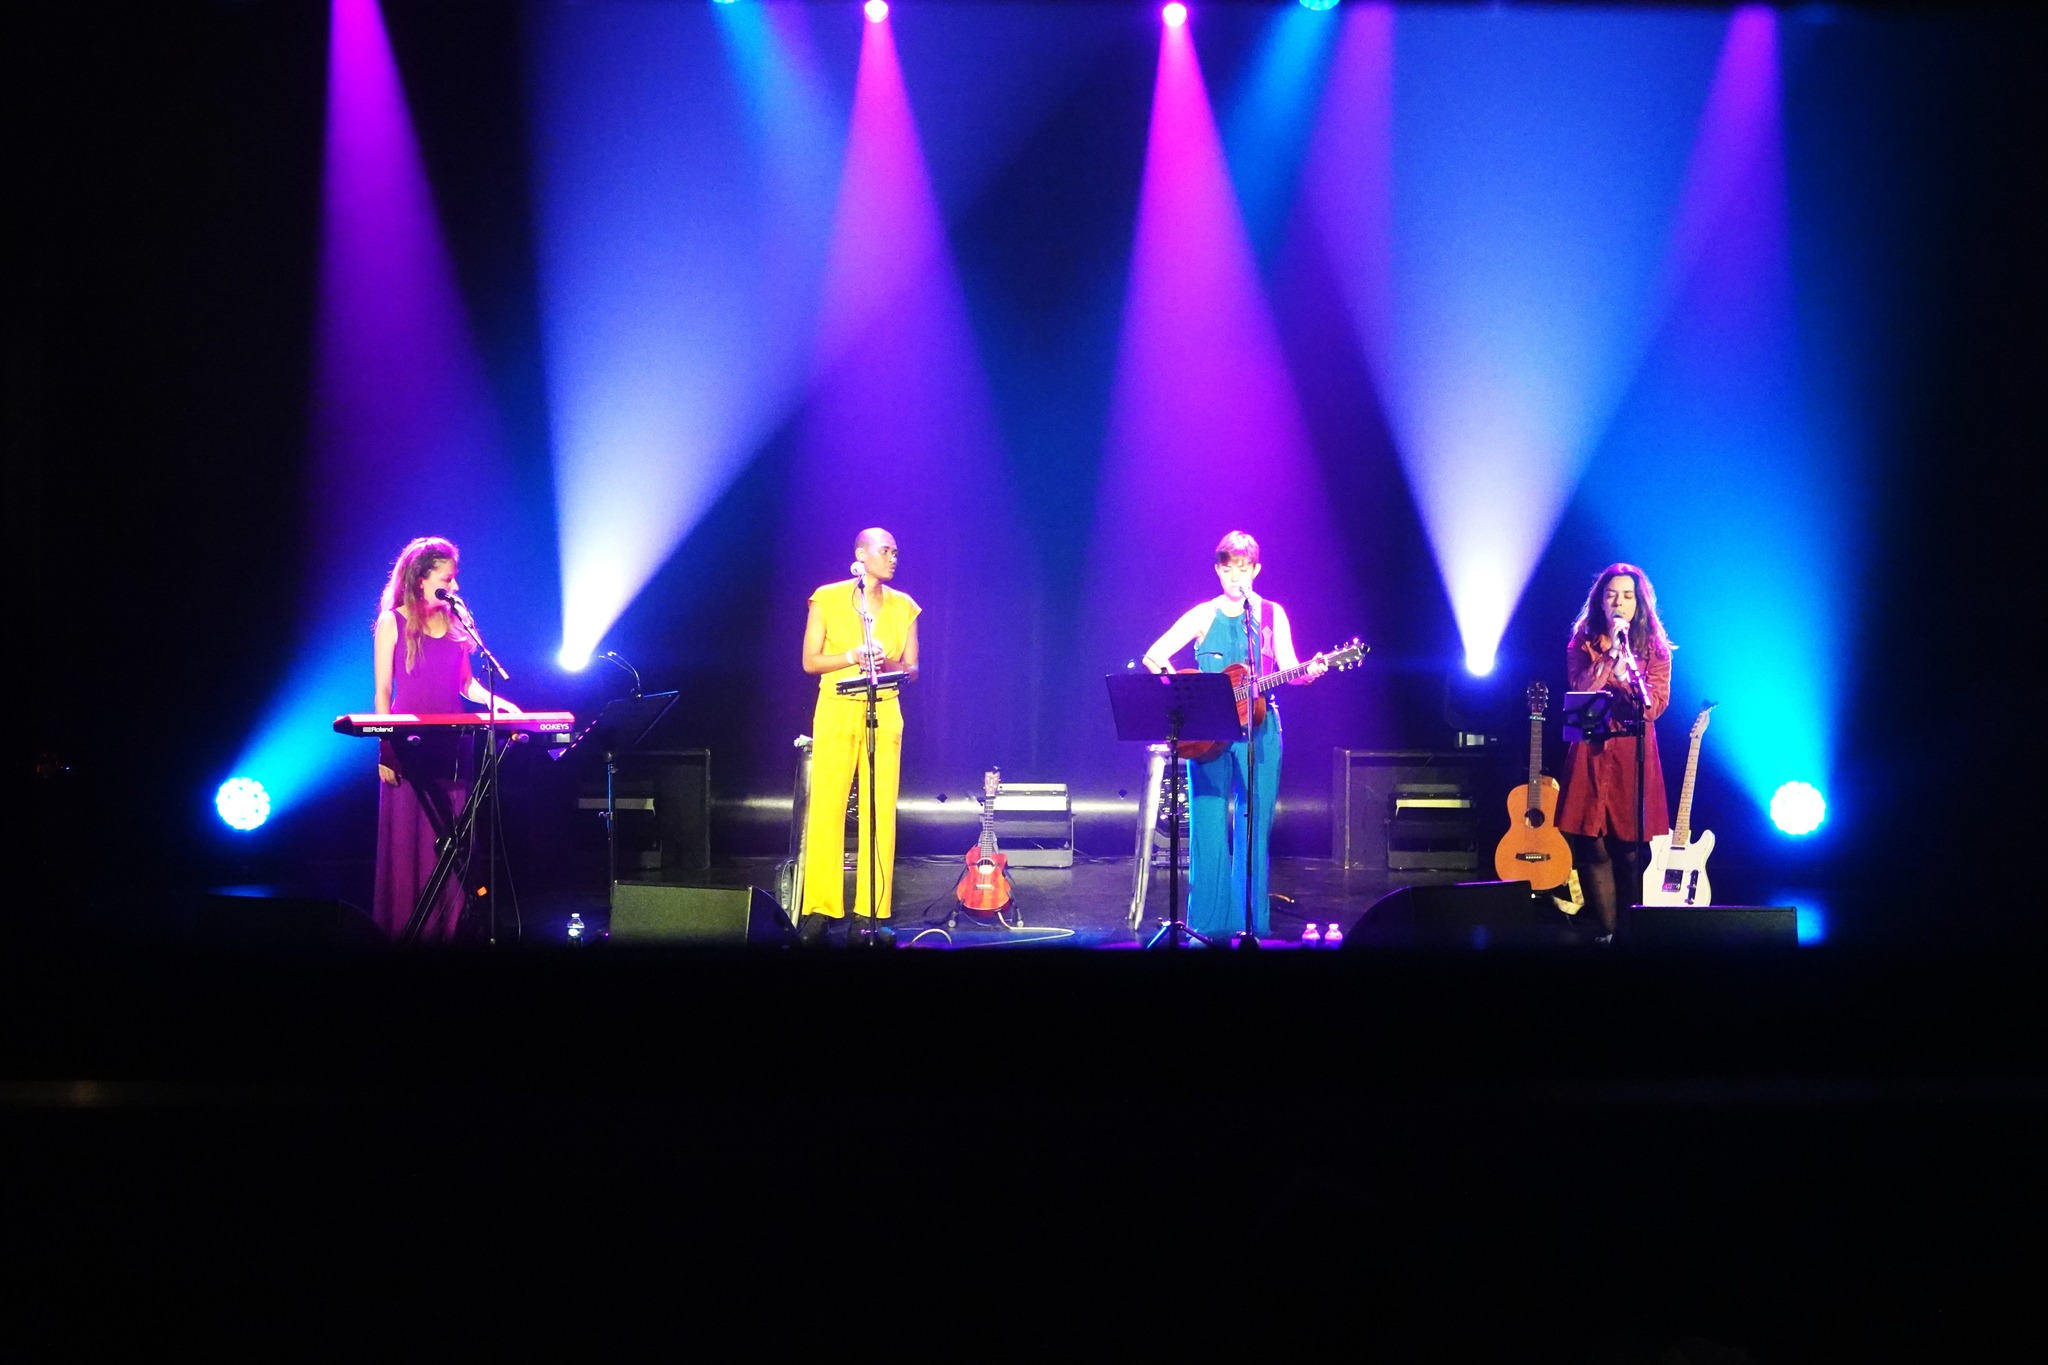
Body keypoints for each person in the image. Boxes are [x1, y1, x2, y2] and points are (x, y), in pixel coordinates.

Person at [1141, 531, 1326, 942]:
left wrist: (1308, 672)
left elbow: (1291, 666)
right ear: (1217, 570)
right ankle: (1207, 922)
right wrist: (1185, 697)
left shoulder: (1272, 615)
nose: (1235, 577)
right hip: (1207, 733)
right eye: (1227, 569)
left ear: (1256, 570)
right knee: (1207, 824)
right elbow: (1154, 655)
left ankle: (1250, 922)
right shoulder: (1203, 614)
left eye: (1243, 569)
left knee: (1253, 824)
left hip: (1260, 730)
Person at [371, 535, 522, 942]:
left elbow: (467, 684)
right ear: (421, 579)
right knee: (412, 838)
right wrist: (386, 748)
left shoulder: (457, 620)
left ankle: (449, 927)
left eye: (455, 579)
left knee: (453, 836)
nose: (454, 587)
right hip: (409, 746)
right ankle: (408, 925)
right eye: (447, 579)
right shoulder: (393, 621)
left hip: (453, 746)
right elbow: (384, 692)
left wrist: (501, 704)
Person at [798, 528, 921, 942]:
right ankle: (819, 908)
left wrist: (885, 663)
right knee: (827, 809)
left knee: (879, 810)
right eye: (886, 550)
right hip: (835, 708)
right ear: (860, 554)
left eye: (896, 552)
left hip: (884, 711)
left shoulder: (905, 606)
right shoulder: (828, 597)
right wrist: (850, 656)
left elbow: (913, 667)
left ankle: (870, 911)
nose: (893, 558)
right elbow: (810, 662)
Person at [1557, 562, 1673, 943]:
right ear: (1600, 602)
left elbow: (1653, 706)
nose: (1619, 602)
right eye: (1611, 595)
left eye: (1627, 595)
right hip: (1591, 749)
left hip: (1631, 753)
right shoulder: (1583, 641)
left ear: (1639, 602)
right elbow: (1580, 687)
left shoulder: (1656, 648)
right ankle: (1605, 934)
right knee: (1593, 844)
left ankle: (1632, 931)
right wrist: (1609, 659)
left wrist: (1627, 677)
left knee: (1631, 850)